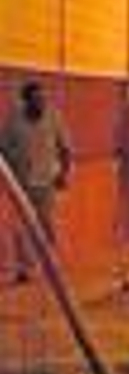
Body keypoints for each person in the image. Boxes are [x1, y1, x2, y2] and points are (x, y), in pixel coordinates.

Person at [0, 81, 73, 282]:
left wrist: (64, 174)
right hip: (21, 184)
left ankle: (51, 265)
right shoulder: (13, 122)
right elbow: (3, 151)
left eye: (42, 99)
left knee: (47, 225)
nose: (40, 103)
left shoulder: (54, 117)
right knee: (21, 227)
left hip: (46, 182)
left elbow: (65, 148)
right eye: (35, 100)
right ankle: (25, 268)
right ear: (25, 101)